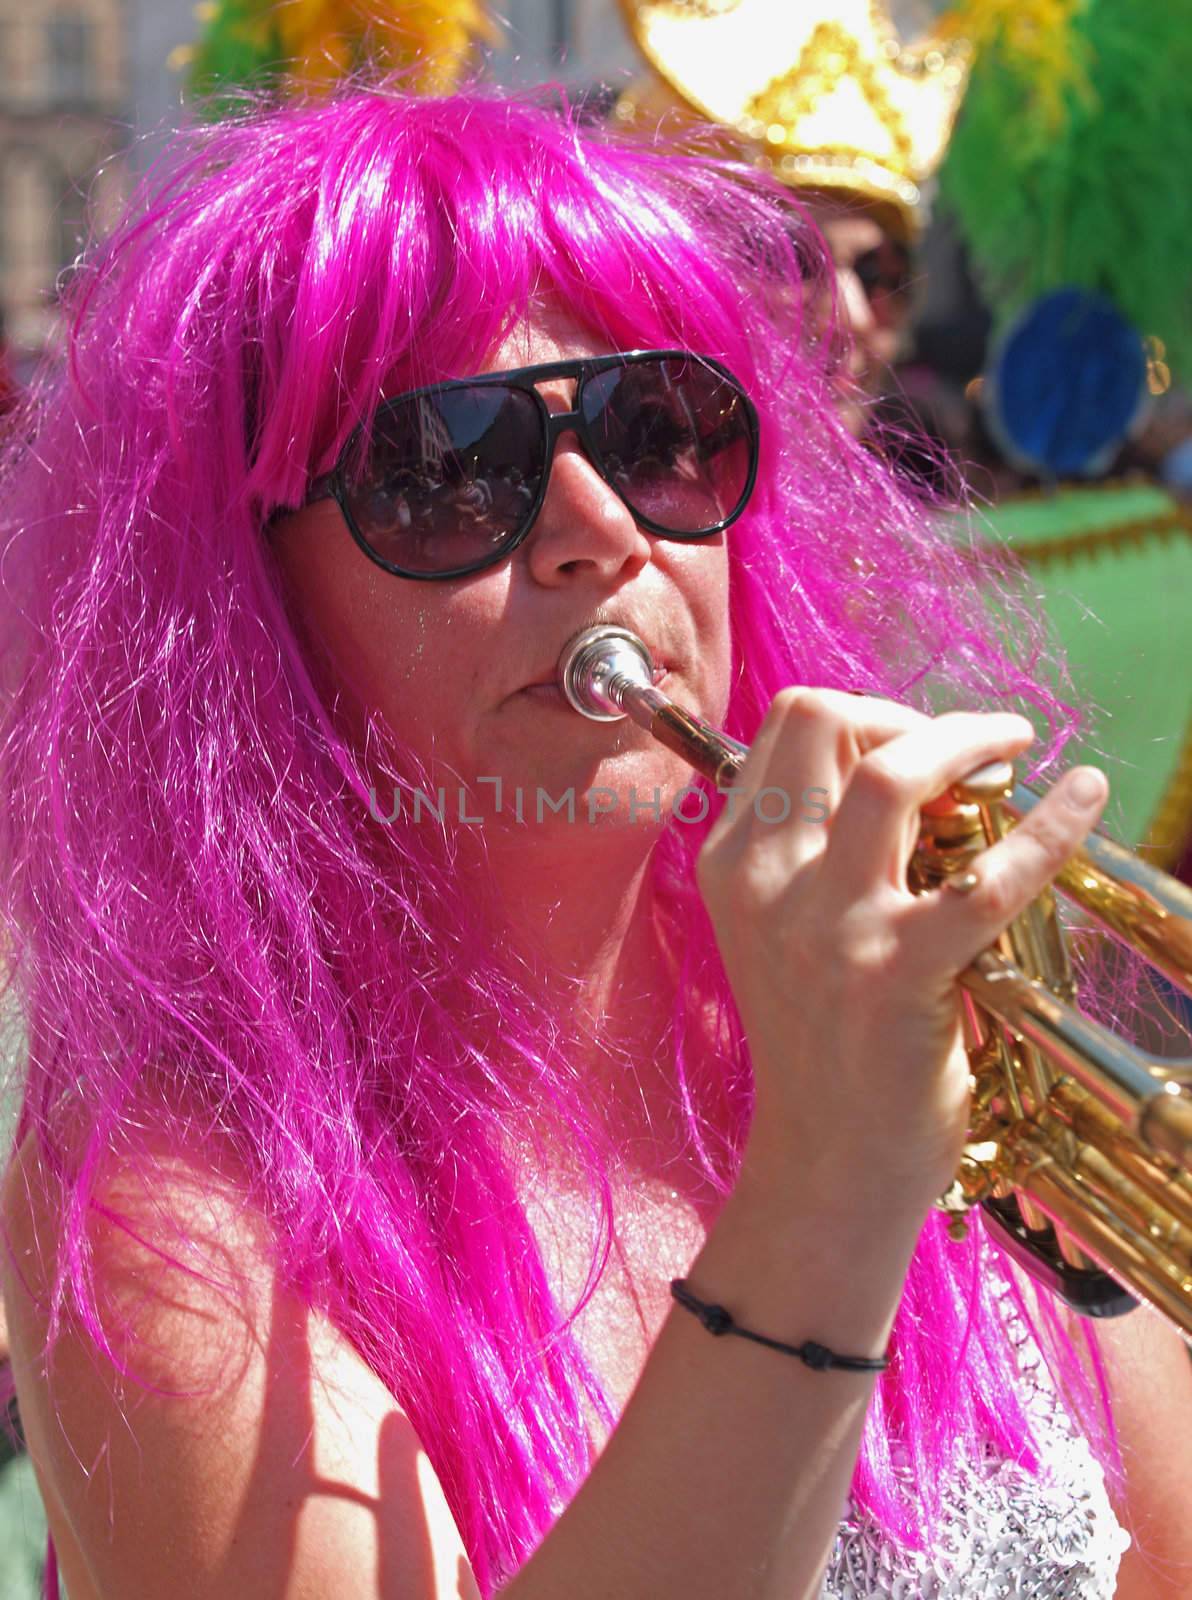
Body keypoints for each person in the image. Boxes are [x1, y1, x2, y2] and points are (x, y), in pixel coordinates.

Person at [0, 86, 1190, 1600]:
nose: (600, 529)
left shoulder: (912, 1005)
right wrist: (830, 1172)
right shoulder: (168, 1198)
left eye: (657, 435)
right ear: (249, 614)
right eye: (448, 468)